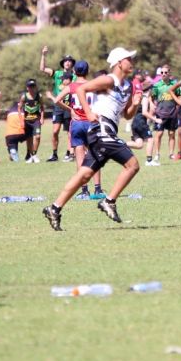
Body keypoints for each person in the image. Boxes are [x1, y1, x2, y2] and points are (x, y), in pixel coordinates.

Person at [42, 48, 142, 230]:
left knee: (84, 175)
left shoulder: (128, 86)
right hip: (102, 131)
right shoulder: (108, 80)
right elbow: (81, 88)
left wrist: (135, 104)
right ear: (119, 62)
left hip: (106, 132)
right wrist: (88, 112)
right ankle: (109, 201)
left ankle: (54, 208)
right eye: (128, 58)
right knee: (133, 165)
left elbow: (127, 115)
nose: (132, 61)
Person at [52, 61, 101, 197]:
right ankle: (98, 189)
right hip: (91, 123)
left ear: (74, 71)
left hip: (77, 123)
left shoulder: (72, 86)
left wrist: (71, 110)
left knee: (80, 158)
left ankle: (84, 190)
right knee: (95, 156)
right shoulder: (93, 85)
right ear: (87, 71)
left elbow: (56, 100)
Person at [39, 47, 76, 162]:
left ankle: (69, 153)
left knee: (69, 132)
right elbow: (42, 68)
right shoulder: (57, 73)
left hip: (69, 106)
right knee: (55, 131)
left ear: (72, 64)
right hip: (58, 106)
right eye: (66, 60)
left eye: (70, 61)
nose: (67, 62)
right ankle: (54, 154)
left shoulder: (75, 76)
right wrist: (43, 55)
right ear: (63, 63)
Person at [146, 64, 181, 166]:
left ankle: (171, 154)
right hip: (160, 113)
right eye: (162, 72)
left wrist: (179, 106)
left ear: (169, 73)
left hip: (173, 113)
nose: (163, 74)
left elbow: (179, 96)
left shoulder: (174, 84)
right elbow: (150, 97)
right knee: (159, 134)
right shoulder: (157, 85)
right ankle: (157, 153)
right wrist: (152, 104)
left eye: (166, 72)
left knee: (171, 134)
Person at [20, 79, 44, 162]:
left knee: (37, 136)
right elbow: (19, 108)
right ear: (27, 88)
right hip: (27, 121)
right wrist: (21, 120)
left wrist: (42, 117)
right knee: (29, 139)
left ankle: (34, 154)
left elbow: (42, 107)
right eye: (30, 87)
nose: (32, 88)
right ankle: (31, 155)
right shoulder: (24, 97)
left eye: (33, 86)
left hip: (36, 120)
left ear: (36, 87)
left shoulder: (39, 96)